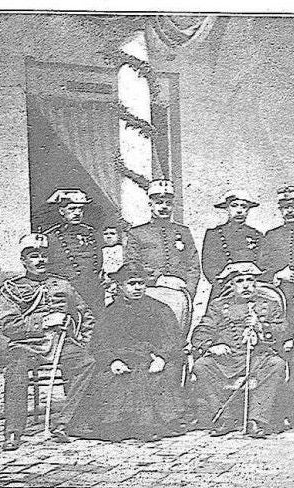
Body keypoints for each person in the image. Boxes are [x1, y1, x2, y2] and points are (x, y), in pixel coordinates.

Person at [67, 260, 188, 443]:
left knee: (151, 376)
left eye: (141, 283)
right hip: (122, 361)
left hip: (154, 359)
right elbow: (100, 343)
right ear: (121, 286)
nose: (137, 288)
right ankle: (121, 425)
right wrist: (113, 360)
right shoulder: (111, 312)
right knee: (111, 378)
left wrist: (162, 358)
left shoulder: (160, 309)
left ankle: (148, 425)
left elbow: (174, 339)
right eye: (131, 284)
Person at [0, 233, 95, 451]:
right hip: (27, 345)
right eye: (34, 256)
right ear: (24, 261)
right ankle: (13, 431)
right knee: (15, 370)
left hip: (61, 343)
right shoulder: (12, 288)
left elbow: (86, 315)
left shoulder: (62, 285)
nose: (40, 260)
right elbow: (8, 325)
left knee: (86, 363)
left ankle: (65, 423)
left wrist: (82, 342)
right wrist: (44, 322)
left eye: (43, 256)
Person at [190, 261, 289, 437]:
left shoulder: (270, 304)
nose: (245, 285)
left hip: (259, 358)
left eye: (250, 280)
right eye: (239, 281)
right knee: (201, 365)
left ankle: (257, 420)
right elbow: (202, 331)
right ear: (231, 285)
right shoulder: (219, 306)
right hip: (228, 360)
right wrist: (212, 346)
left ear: (255, 283)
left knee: (277, 364)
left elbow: (283, 331)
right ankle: (224, 417)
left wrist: (261, 327)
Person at [127, 179, 201, 336]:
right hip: (150, 292)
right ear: (150, 204)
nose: (164, 207)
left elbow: (194, 264)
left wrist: (189, 290)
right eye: (159, 202)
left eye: (168, 203)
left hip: (180, 295)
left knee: (177, 338)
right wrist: (157, 279)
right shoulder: (137, 233)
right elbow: (132, 264)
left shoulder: (183, 232)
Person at [44, 188, 104, 311]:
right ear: (61, 211)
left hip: (93, 291)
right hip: (67, 293)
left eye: (80, 209)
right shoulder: (51, 237)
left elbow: (98, 263)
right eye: (72, 209)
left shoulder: (91, 233)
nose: (77, 213)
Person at [201, 190, 263, 295]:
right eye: (234, 206)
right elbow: (209, 266)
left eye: (244, 207)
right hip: (225, 289)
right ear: (227, 208)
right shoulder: (214, 234)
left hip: (252, 289)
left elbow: (264, 264)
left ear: (248, 210)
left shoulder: (257, 235)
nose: (239, 211)